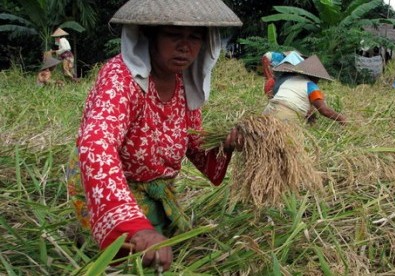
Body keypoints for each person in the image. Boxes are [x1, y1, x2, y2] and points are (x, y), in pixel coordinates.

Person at [65, 0, 243, 272]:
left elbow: (194, 144)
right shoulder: (121, 78)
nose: (186, 46)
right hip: (111, 185)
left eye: (195, 37)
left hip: (153, 186)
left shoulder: (184, 83)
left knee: (166, 247)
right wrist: (133, 227)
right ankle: (92, 226)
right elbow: (96, 144)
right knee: (129, 258)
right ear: (149, 36)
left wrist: (225, 145)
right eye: (174, 35)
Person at [262, 54, 347, 125]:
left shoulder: (289, 80)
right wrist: (342, 119)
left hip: (268, 111)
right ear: (315, 77)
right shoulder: (311, 86)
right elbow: (324, 110)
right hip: (285, 115)